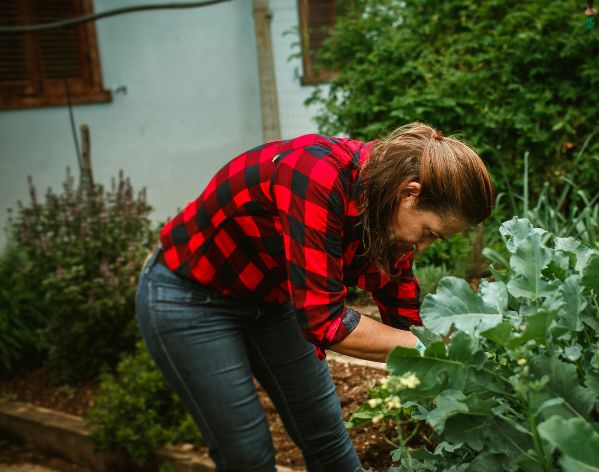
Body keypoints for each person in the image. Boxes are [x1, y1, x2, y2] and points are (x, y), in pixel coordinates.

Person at [134, 122, 494, 472]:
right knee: (249, 455)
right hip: (190, 297)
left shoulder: (388, 207)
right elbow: (326, 321)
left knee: (326, 435)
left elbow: (403, 312)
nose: (424, 245)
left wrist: (453, 377)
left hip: (272, 299)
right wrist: (429, 349)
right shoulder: (316, 175)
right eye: (428, 232)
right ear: (410, 192)